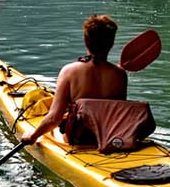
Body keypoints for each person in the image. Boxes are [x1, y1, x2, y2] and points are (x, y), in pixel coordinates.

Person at [21, 14, 128, 145]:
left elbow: (54, 118)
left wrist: (33, 135)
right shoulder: (120, 74)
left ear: (86, 40)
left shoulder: (69, 71)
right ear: (111, 42)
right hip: (110, 137)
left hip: (79, 139)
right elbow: (119, 114)